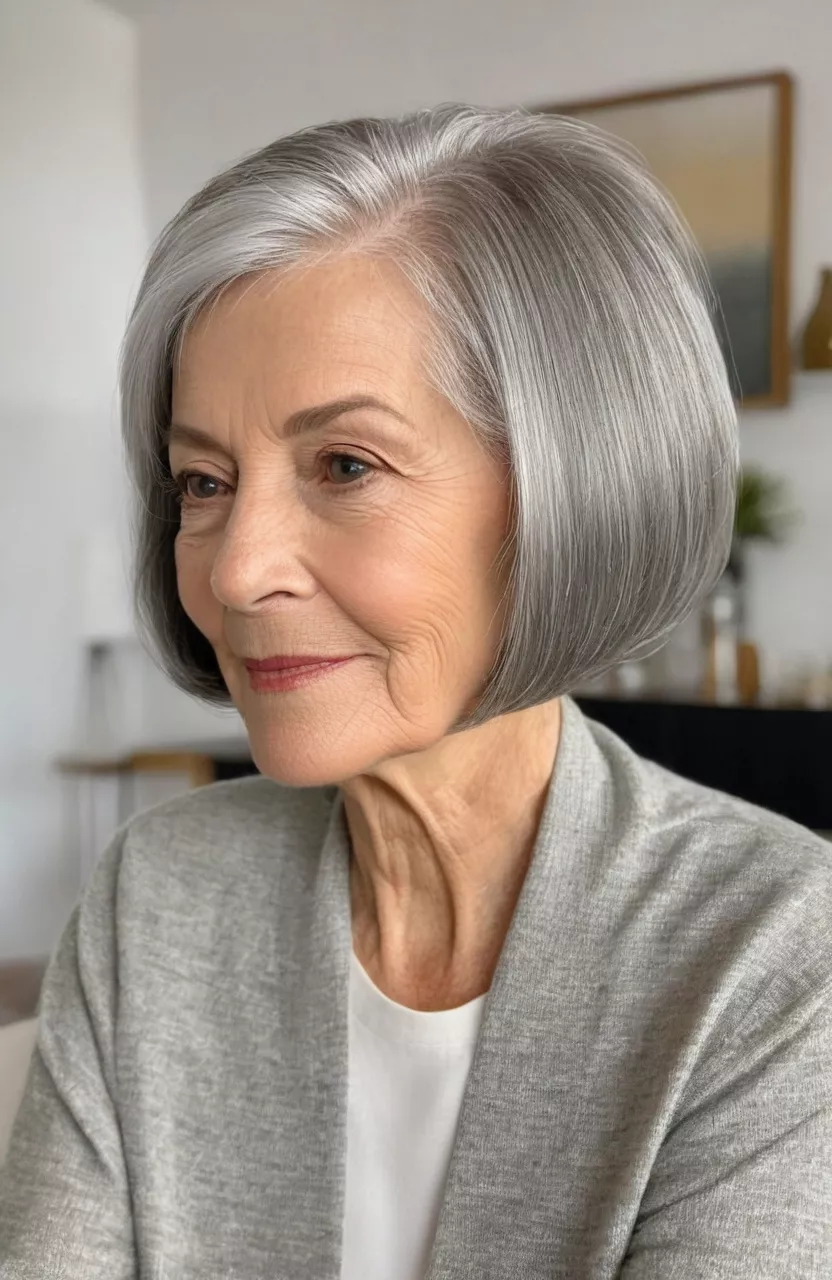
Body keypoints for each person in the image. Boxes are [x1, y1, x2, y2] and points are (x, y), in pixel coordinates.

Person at [1, 103, 830, 1280]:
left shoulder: (775, 955)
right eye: (202, 480)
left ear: (566, 487)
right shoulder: (159, 900)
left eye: (346, 464)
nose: (236, 567)